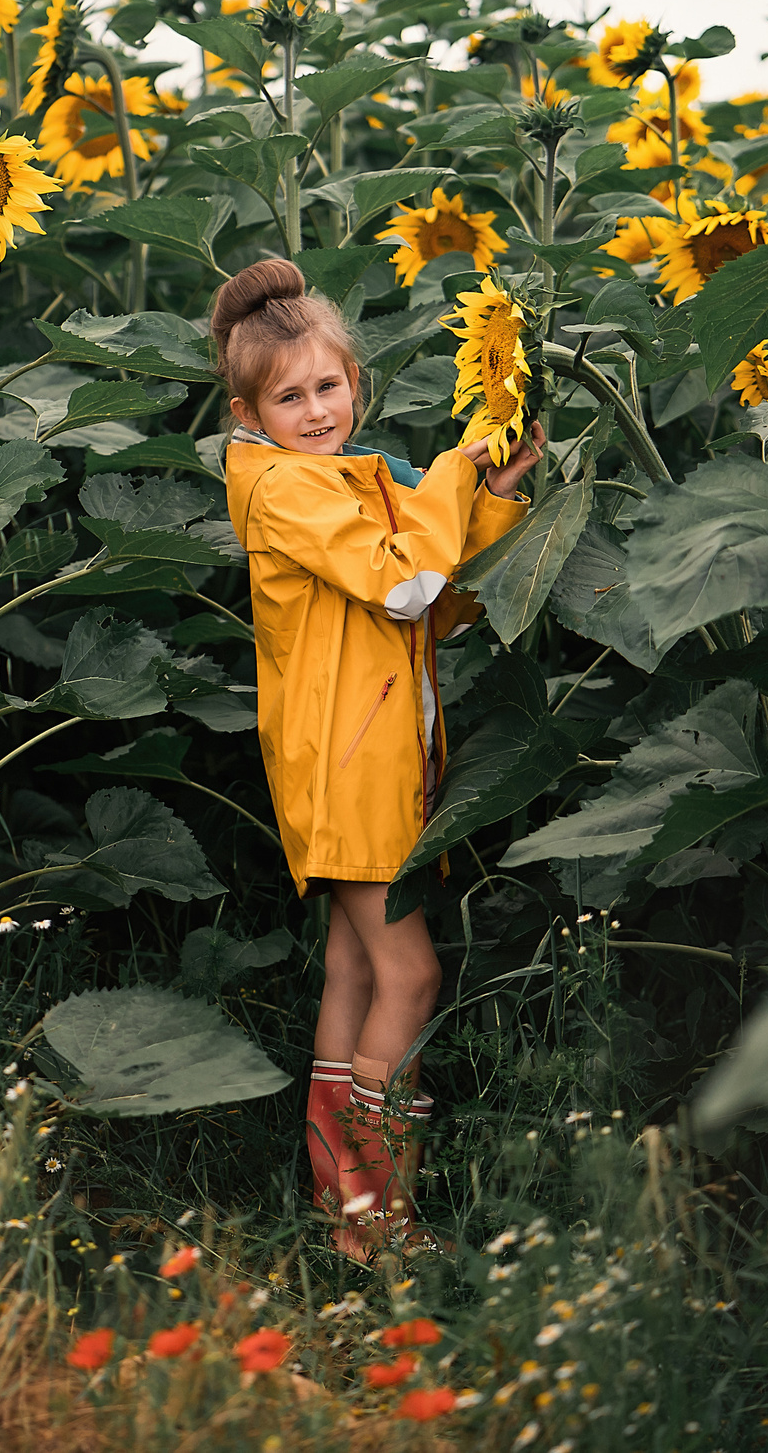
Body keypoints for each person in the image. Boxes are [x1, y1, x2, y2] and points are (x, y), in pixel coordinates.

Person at [215, 257, 544, 1260]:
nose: (316, 409)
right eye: (289, 395)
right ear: (247, 408)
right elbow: (403, 585)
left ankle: (343, 1217)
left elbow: (442, 606)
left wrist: (488, 496)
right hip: (348, 763)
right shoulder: (283, 489)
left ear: (356, 383)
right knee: (411, 976)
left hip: (362, 750)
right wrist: (449, 473)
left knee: (356, 972)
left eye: (329, 385)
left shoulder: (328, 477)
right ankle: (383, 1221)